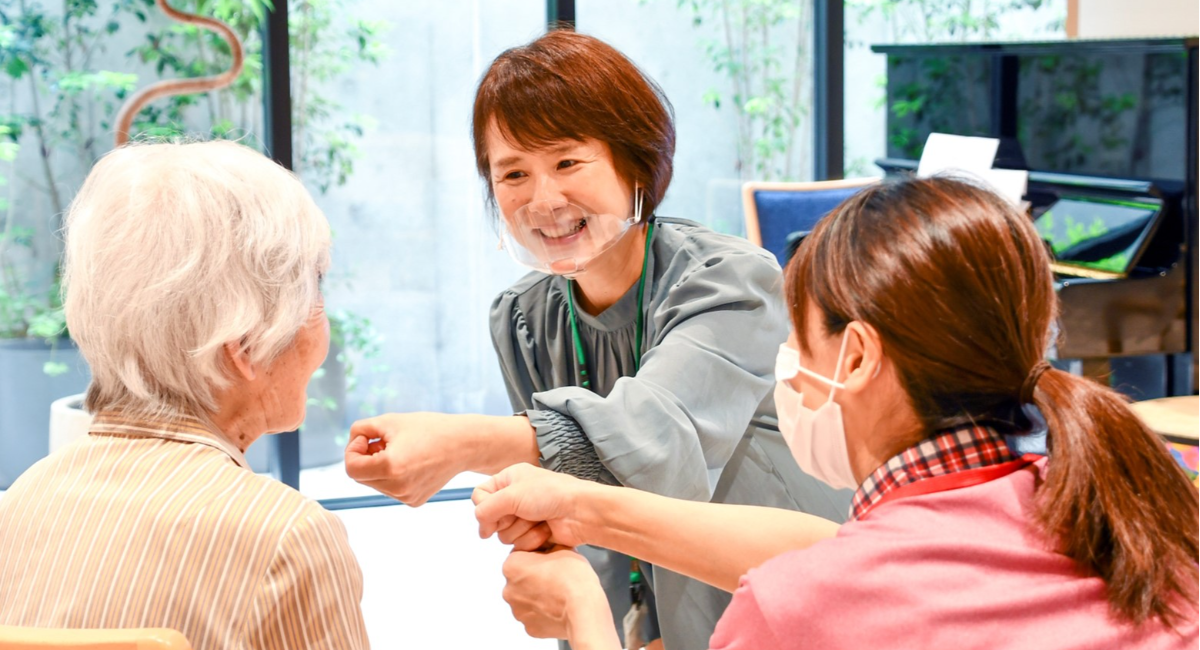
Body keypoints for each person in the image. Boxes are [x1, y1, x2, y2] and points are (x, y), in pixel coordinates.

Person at [472, 176, 1200, 649]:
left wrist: (582, 611)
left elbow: (824, 584)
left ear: (853, 356)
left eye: (798, 337)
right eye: (512, 173)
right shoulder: (1153, 497)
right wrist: (580, 508)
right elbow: (828, 551)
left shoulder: (801, 613)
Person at [344, 30, 847, 649]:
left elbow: (655, 437)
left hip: (776, 597)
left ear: (635, 161)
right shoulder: (523, 318)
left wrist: (463, 442)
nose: (543, 199)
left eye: (566, 162)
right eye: (512, 174)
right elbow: (567, 499)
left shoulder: (730, 280)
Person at [0, 140, 369, 650]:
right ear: (244, 345)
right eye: (316, 288)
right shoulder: (287, 536)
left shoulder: (19, 504)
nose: (323, 330)